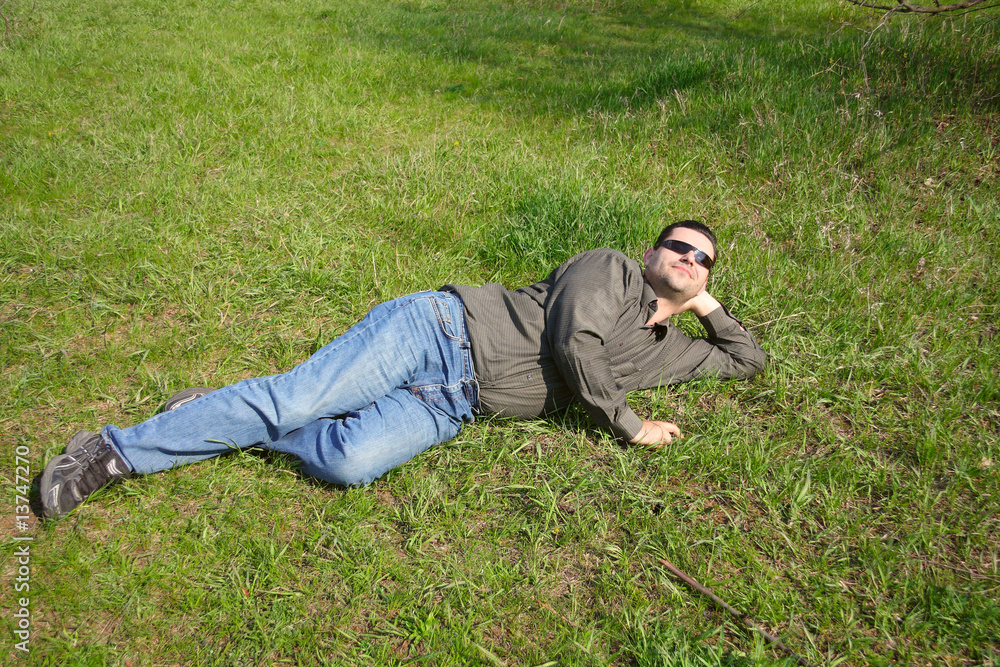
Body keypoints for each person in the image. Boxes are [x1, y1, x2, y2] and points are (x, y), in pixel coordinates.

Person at [39, 220, 765, 519]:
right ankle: (110, 451)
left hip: (455, 404)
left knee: (348, 462)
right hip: (436, 334)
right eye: (677, 246)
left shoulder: (669, 347)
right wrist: (630, 424)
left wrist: (703, 305)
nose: (687, 257)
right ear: (650, 253)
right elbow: (578, 345)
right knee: (295, 400)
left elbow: (747, 360)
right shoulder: (609, 270)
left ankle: (210, 412)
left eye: (701, 257)